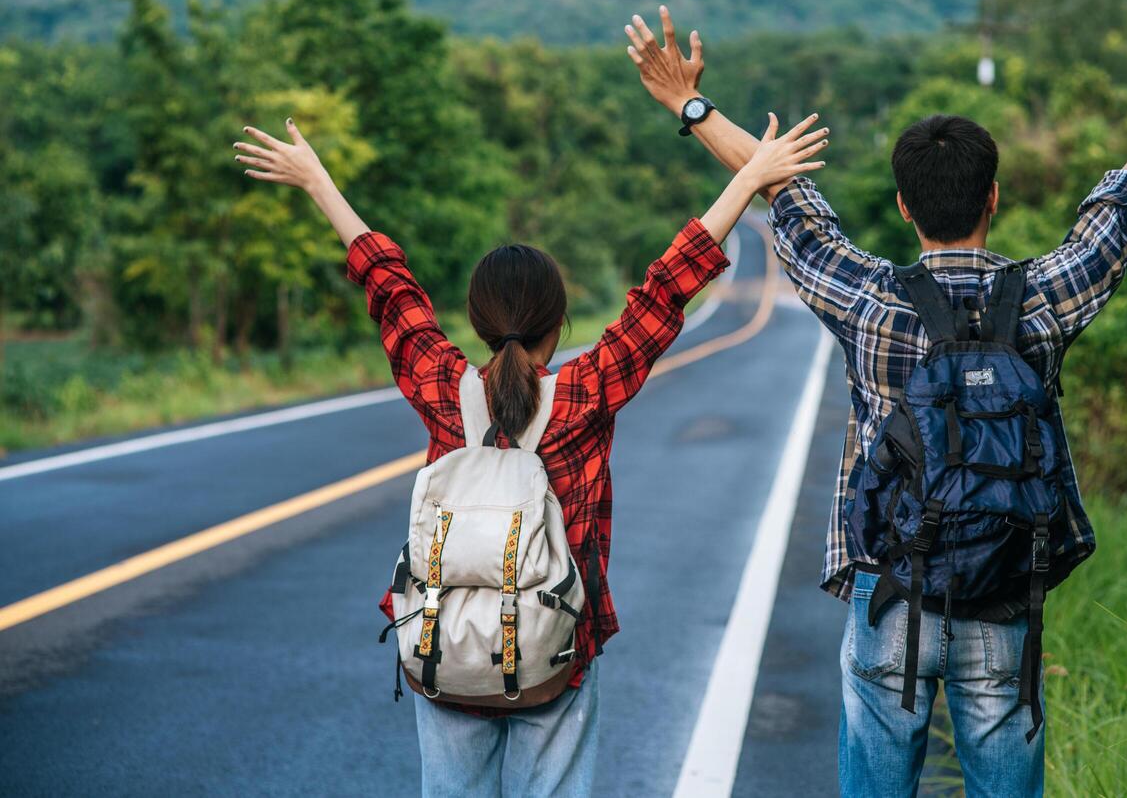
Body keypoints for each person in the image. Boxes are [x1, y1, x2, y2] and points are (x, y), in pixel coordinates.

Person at [625, 0, 1127, 797]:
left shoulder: (866, 300)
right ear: (994, 199)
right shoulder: (1044, 296)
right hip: (1005, 594)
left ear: (904, 208)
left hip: (889, 591)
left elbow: (779, 192)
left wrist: (689, 104)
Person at [229, 109, 830, 797]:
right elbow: (664, 291)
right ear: (558, 320)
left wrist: (318, 182)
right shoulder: (583, 393)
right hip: (555, 652)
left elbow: (392, 290)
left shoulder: (444, 391)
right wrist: (749, 175)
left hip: (445, 645)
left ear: (480, 323)